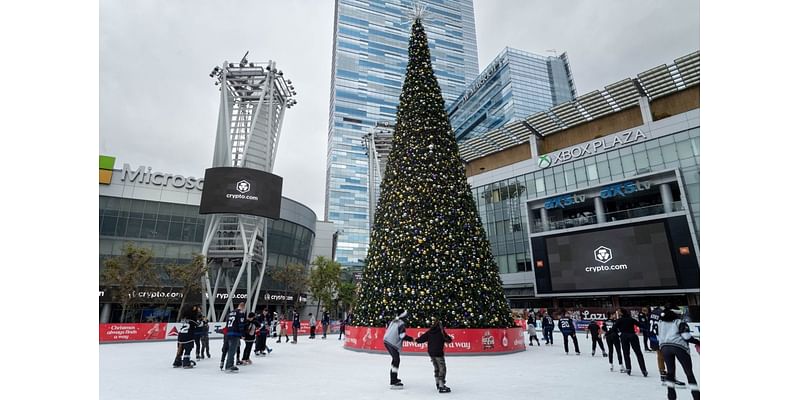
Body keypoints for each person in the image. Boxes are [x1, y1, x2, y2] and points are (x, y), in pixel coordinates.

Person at [658, 304, 700, 400]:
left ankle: (671, 396)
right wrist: (697, 342)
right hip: (679, 347)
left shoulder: (661, 322)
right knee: (689, 373)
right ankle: (696, 396)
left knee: (670, 373)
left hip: (664, 347)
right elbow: (686, 336)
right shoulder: (679, 322)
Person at [650, 305, 686, 388]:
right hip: (663, 337)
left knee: (660, 357)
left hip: (654, 336)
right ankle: (671, 377)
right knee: (669, 358)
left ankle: (663, 376)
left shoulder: (653, 313)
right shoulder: (665, 314)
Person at [415, 317, 453, 393]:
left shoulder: (429, 332)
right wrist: (448, 337)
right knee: (442, 368)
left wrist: (416, 340)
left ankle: (438, 383)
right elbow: (449, 340)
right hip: (438, 353)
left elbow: (420, 339)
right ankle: (441, 385)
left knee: (436, 367)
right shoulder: (441, 332)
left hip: (431, 353)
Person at [383, 310, 415, 389]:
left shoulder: (395, 320)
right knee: (396, 360)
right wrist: (411, 339)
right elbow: (402, 336)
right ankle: (393, 381)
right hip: (392, 343)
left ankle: (394, 379)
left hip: (386, 341)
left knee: (395, 360)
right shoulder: (401, 324)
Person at [611, 308, 648, 377]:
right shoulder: (631, 319)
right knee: (638, 353)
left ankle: (628, 368)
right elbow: (641, 325)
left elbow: (613, 329)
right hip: (633, 335)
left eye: (619, 312)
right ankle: (643, 370)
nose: (617, 313)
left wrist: (617, 332)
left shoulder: (619, 320)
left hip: (624, 336)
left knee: (626, 353)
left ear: (621, 313)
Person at [222, 302, 246, 373]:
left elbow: (227, 324)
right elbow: (241, 324)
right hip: (235, 333)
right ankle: (229, 365)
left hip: (229, 333)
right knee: (232, 350)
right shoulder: (240, 313)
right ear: (242, 307)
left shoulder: (231, 313)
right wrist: (243, 334)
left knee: (230, 349)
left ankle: (228, 364)